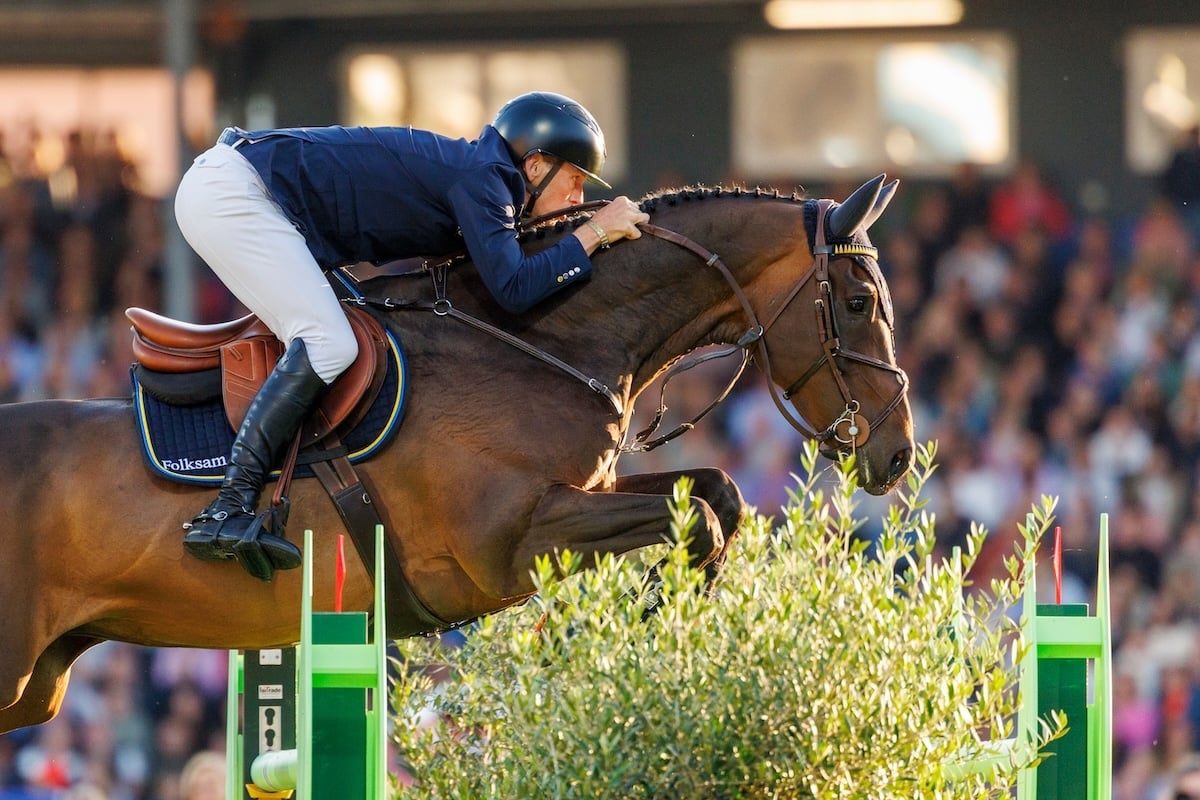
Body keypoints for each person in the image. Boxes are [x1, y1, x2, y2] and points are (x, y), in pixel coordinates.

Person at [174, 91, 649, 580]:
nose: (577, 199)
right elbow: (513, 288)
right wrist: (594, 233)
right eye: (573, 181)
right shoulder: (485, 181)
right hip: (235, 194)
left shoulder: (483, 177)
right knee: (330, 343)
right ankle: (225, 509)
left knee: (356, 330)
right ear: (534, 167)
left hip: (247, 193)